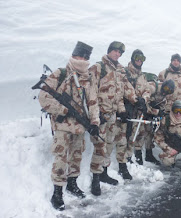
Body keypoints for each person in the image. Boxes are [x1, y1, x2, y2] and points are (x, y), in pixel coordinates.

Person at [38, 41, 100, 210]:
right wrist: (64, 110)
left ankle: (72, 184)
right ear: (73, 55)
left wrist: (94, 122)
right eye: (79, 55)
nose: (82, 59)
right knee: (61, 158)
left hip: (80, 127)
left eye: (85, 57)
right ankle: (57, 192)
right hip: (63, 127)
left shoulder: (88, 77)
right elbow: (43, 97)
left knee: (76, 157)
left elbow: (93, 102)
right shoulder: (61, 73)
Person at [89, 41, 139, 196]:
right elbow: (91, 94)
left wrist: (122, 111)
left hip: (112, 116)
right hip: (100, 116)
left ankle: (103, 172)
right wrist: (95, 116)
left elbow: (120, 94)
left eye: (120, 53)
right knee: (100, 146)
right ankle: (95, 179)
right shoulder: (98, 68)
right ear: (109, 51)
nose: (117, 54)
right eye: (115, 51)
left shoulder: (120, 70)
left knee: (109, 144)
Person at [122, 49, 151, 165]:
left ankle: (129, 156)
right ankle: (122, 159)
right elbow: (124, 88)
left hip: (138, 109)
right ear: (133, 58)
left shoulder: (142, 76)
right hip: (127, 108)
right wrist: (135, 99)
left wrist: (144, 99)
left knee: (135, 132)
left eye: (142, 59)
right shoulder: (125, 72)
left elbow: (147, 89)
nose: (139, 61)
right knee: (125, 133)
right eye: (137, 58)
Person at [140, 79, 175, 165]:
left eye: (169, 91)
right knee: (140, 132)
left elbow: (163, 107)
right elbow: (145, 97)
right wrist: (154, 111)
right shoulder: (153, 86)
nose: (166, 91)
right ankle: (137, 154)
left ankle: (149, 153)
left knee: (150, 131)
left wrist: (161, 113)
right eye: (166, 88)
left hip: (151, 112)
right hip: (141, 109)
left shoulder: (165, 96)